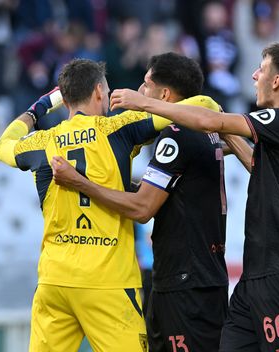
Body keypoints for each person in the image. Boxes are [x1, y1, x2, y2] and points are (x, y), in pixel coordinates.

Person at [110, 41, 279, 351]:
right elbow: (254, 163)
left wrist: (142, 105)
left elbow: (209, 120)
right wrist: (225, 135)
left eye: (261, 70)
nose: (254, 76)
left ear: (276, 81)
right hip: (257, 271)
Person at [0, 58, 216, 351]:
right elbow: (205, 104)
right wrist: (144, 103)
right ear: (99, 91)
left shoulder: (43, 142)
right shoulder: (118, 128)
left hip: (55, 281)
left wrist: (40, 108)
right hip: (108, 283)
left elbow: (2, 146)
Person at [50, 52, 228, 352]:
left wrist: (80, 182)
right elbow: (165, 190)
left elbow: (142, 209)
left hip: (184, 281)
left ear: (164, 94)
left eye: (146, 85)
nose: (140, 91)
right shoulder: (205, 133)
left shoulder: (175, 134)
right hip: (201, 275)